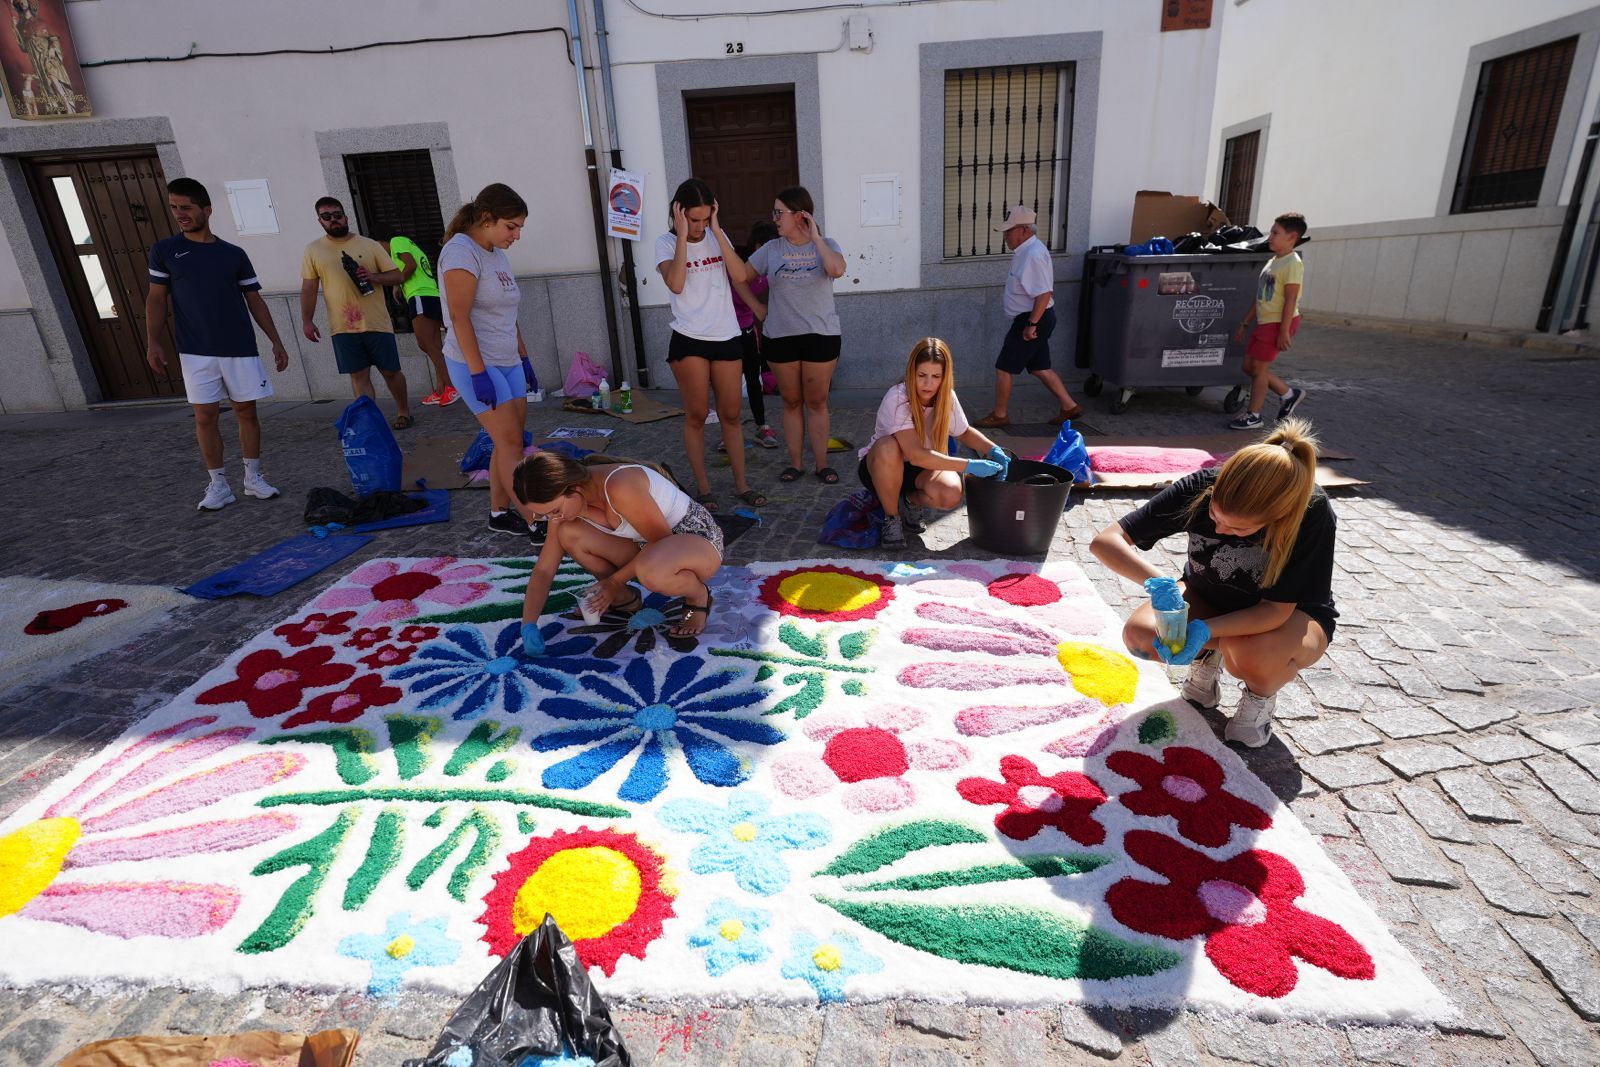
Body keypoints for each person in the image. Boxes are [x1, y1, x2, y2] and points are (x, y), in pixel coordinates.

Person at [1089, 419, 1335, 748]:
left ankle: (1259, 698)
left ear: (1279, 516)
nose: (1220, 531)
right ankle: (1207, 657)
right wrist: (1159, 582)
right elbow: (1106, 541)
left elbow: (1274, 611)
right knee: (1142, 636)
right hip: (1209, 593)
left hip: (1287, 618)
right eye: (1216, 517)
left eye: (1237, 529)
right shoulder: (1203, 483)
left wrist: (1204, 631)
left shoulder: (1312, 512)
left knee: (1246, 650)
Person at [145, 177, 291, 511]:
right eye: (174, 208)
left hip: (239, 346)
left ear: (206, 210)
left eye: (186, 207)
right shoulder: (164, 251)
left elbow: (254, 300)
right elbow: (155, 300)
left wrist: (277, 342)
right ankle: (218, 485)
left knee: (247, 412)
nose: (180, 214)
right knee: (205, 416)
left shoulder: (233, 254)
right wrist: (153, 341)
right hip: (195, 350)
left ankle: (253, 478)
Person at [513, 452, 723, 645]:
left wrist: (613, 581)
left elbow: (664, 547)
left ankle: (698, 595)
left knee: (653, 571)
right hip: (649, 547)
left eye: (554, 511)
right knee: (568, 532)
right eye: (546, 515)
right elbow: (544, 569)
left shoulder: (619, 486)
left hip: (697, 541)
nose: (553, 519)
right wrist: (528, 624)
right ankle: (624, 599)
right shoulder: (567, 503)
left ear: (574, 488)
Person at [654, 178, 767, 511]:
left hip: (727, 335)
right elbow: (675, 284)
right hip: (689, 338)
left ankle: (741, 484)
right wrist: (681, 238)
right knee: (698, 415)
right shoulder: (665, 242)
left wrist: (717, 231)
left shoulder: (717, 235)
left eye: (705, 218)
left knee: (732, 415)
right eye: (693, 219)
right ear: (679, 213)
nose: (699, 226)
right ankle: (704, 489)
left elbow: (741, 276)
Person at [438, 183, 539, 540]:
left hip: (506, 358)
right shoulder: (460, 253)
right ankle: (535, 519)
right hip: (474, 363)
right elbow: (459, 317)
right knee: (511, 442)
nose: (517, 235)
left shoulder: (495, 251)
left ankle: (499, 512)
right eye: (511, 226)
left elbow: (508, 312)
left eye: (519, 227)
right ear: (486, 218)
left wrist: (523, 358)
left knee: (509, 442)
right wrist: (478, 373)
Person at [859, 338, 1009, 548]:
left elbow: (963, 431)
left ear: (944, 377)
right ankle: (891, 518)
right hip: (883, 466)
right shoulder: (898, 397)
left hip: (924, 468)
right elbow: (916, 454)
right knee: (887, 446)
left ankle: (910, 501)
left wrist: (993, 449)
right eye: (922, 375)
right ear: (912, 372)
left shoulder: (947, 396)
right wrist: (969, 465)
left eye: (936, 376)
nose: (928, 384)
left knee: (950, 494)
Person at [749, 186, 847, 484]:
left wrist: (815, 237)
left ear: (800, 215)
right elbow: (740, 276)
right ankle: (796, 463)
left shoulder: (827, 244)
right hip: (780, 336)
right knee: (791, 402)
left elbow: (837, 269)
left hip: (820, 335)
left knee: (817, 402)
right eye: (775, 212)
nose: (774, 218)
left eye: (780, 212)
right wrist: (756, 307)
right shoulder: (771, 249)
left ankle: (821, 464)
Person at [299, 197, 414, 430]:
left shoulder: (369, 245)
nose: (334, 220)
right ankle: (369, 421)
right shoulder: (313, 250)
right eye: (327, 216)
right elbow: (309, 287)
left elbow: (397, 276)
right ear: (320, 220)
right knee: (359, 376)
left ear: (346, 216)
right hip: (343, 326)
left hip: (377, 322)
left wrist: (373, 277)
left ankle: (404, 411)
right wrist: (307, 321)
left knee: (391, 372)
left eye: (337, 214)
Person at [973, 205, 1083, 429]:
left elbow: (1044, 293)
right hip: (1034, 318)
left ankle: (1000, 415)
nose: (1005, 236)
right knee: (1039, 367)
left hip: (1032, 319)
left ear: (1024, 230)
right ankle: (1069, 406)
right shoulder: (1026, 251)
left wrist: (1031, 324)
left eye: (1009, 231)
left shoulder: (1032, 255)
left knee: (1004, 367)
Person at [1227, 212, 1309, 431]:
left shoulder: (1293, 263)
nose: (1269, 236)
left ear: (1292, 237)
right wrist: (1245, 323)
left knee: (1260, 370)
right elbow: (1261, 296)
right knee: (1249, 367)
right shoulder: (1273, 261)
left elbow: (1291, 299)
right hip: (1264, 323)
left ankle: (1253, 416)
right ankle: (1288, 394)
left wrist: (1284, 332)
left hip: (1278, 324)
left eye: (1275, 233)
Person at [389, 232, 457, 407]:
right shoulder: (409, 242)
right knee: (434, 346)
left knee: (426, 344)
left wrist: (398, 280)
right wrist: (398, 284)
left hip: (419, 295)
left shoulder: (396, 241)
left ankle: (451, 386)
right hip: (431, 293)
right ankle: (441, 389)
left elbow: (410, 265)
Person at [729, 219, 779, 450]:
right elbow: (739, 296)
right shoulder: (740, 265)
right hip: (726, 331)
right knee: (728, 384)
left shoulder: (769, 270)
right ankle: (729, 431)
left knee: (753, 378)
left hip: (748, 329)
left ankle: (762, 425)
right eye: (767, 247)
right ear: (757, 245)